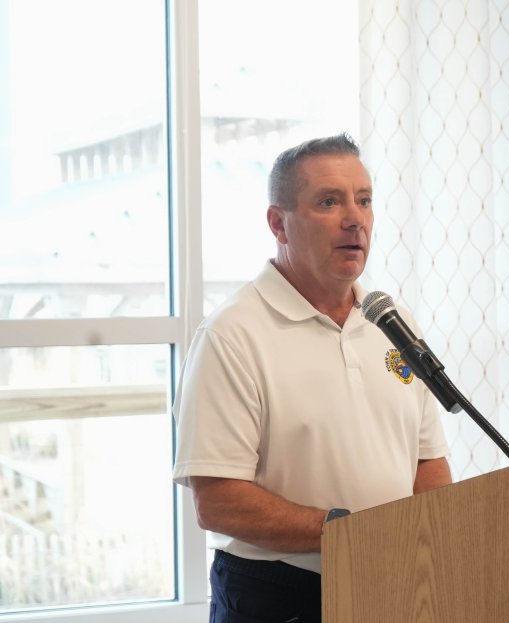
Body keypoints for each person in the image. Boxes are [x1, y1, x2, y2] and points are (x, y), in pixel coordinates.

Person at [172, 133, 452, 623]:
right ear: (279, 223)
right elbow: (218, 502)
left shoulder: (392, 322)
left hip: (394, 577)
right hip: (279, 593)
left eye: (364, 201)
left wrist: (430, 545)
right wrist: (347, 531)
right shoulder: (232, 334)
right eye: (329, 202)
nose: (355, 218)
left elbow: (427, 461)